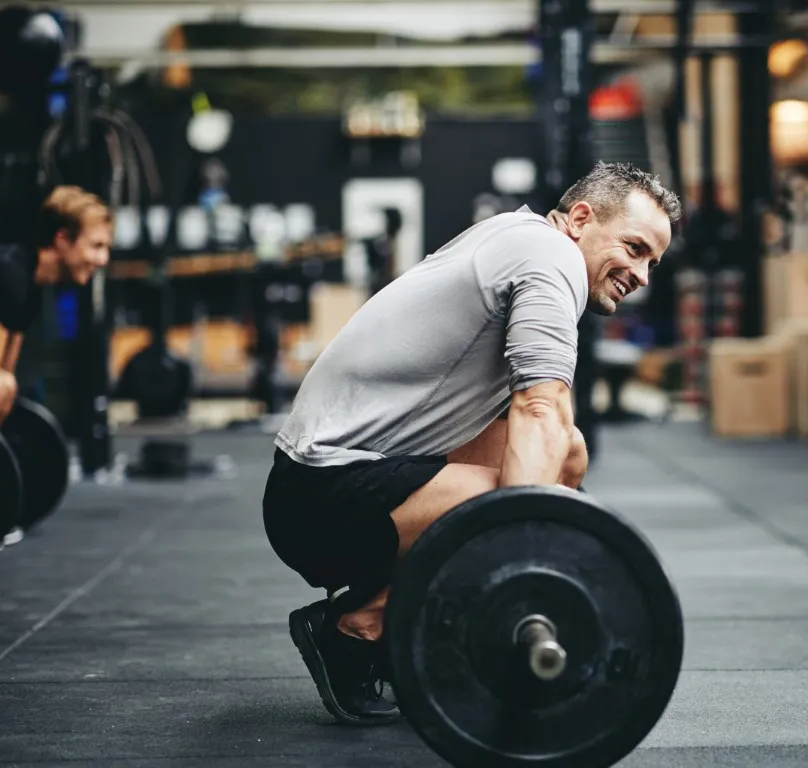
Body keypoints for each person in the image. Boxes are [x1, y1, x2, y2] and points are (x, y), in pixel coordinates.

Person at [263, 162, 681, 725]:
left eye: (652, 261)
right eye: (634, 248)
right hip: (321, 494)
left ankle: (397, 625)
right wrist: (524, 567)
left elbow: (550, 430)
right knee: (532, 489)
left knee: (567, 454)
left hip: (341, 474)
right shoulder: (550, 257)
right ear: (581, 218)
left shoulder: (518, 233)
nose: (642, 275)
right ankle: (354, 627)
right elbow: (540, 405)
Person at [0, 186, 114, 545]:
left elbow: (4, 373)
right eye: (96, 246)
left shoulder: (28, 284)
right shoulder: (8, 276)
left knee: (6, 390)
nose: (103, 259)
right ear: (62, 239)